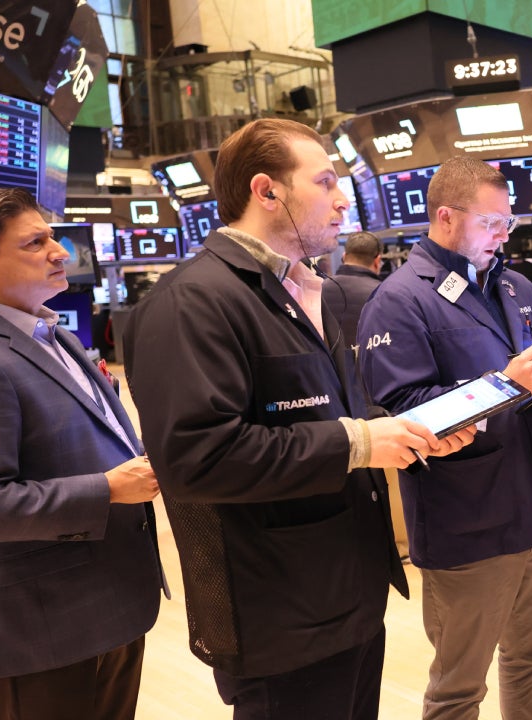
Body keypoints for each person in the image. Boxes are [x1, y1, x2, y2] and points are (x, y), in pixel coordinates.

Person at [123, 119, 474, 720]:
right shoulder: (191, 302)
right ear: (267, 191)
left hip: (347, 593)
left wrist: (403, 435)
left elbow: (323, 415)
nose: (344, 200)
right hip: (280, 615)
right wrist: (363, 442)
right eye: (327, 182)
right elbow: (196, 461)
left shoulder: (306, 292)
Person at [358, 155, 532, 720]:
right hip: (468, 524)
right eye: (491, 223)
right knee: (458, 689)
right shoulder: (398, 300)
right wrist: (503, 384)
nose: (503, 234)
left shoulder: (517, 286)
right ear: (446, 217)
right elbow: (406, 418)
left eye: (507, 223)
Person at [0, 187, 165, 720]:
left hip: (108, 602)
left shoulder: (49, 332)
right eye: (35, 243)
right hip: (42, 628)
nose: (60, 251)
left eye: (54, 237)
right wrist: (107, 488)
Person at [323, 230, 384, 348]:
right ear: (377, 261)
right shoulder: (384, 293)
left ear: (344, 256)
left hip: (326, 365)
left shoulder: (319, 288)